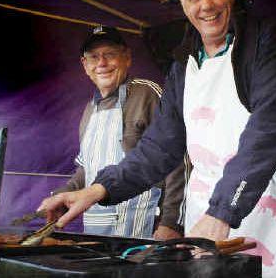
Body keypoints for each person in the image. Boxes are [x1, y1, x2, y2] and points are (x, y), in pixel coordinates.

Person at [39, 0, 276, 277]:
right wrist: (96, 190)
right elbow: (159, 148)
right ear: (184, 6)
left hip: (272, 200)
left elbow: (267, 129)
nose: (206, 5)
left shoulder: (265, 41)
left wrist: (222, 211)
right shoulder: (182, 63)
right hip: (209, 207)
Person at [40, 25, 185, 240]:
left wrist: (171, 223)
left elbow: (179, 158)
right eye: (94, 57)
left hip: (145, 228)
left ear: (127, 58)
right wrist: (61, 195)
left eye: (110, 54)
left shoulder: (147, 94)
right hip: (98, 233)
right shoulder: (89, 111)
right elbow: (86, 170)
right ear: (85, 65)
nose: (102, 63)